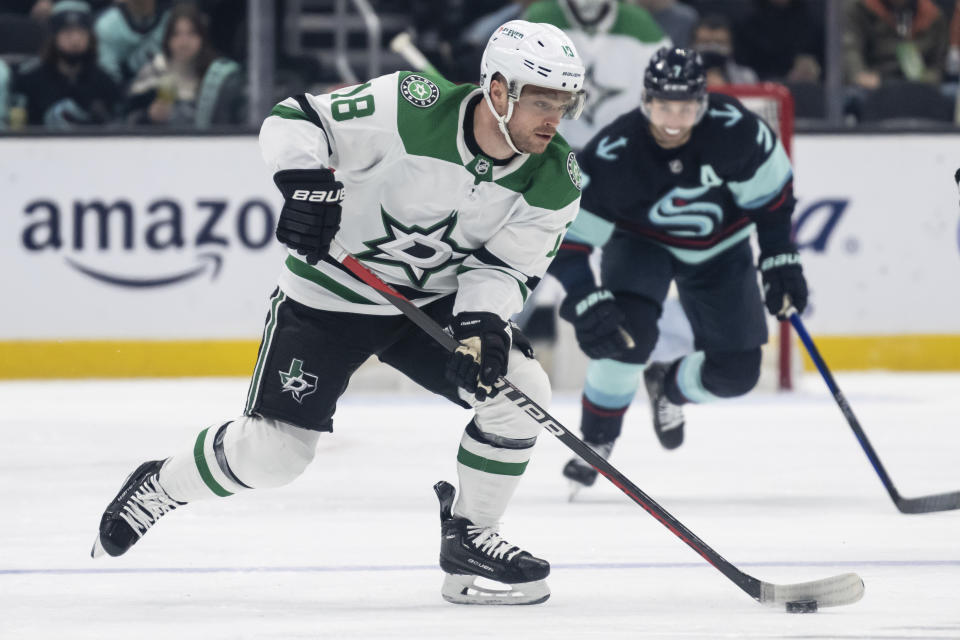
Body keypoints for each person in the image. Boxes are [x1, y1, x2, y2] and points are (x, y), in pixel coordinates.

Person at [91, 20, 586, 606]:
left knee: (517, 390)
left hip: (428, 305)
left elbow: (504, 268)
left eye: (565, 103)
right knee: (273, 456)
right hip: (329, 296)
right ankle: (161, 485)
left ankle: (471, 534)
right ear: (498, 91)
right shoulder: (407, 107)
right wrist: (304, 183)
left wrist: (482, 325)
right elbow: (295, 119)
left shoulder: (557, 178)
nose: (554, 118)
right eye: (541, 101)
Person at [550, 47, 807, 492]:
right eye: (665, 106)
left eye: (686, 107)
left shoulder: (735, 131)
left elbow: (774, 200)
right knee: (625, 336)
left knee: (737, 373)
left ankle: (669, 386)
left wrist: (780, 255)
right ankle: (595, 441)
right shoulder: (615, 153)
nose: (674, 119)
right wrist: (583, 295)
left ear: (702, 103)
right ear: (647, 101)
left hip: (720, 247)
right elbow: (566, 241)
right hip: (639, 245)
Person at [524, 0, 670, 150]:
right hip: (556, 150)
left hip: (617, 151)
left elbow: (665, 91)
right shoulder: (540, 18)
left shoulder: (640, 26)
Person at [126, 3, 244, 127]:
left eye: (191, 33)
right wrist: (149, 116)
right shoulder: (154, 71)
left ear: (202, 37)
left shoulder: (218, 77)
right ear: (167, 38)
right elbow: (128, 119)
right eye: (176, 34)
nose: (184, 42)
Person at [12, 0, 121, 128]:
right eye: (67, 33)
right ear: (53, 37)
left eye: (81, 33)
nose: (75, 40)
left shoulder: (104, 82)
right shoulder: (29, 80)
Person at [843, 0, 949, 88]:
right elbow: (850, 50)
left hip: (919, 86)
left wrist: (925, 80)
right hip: (874, 84)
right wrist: (860, 75)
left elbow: (938, 66)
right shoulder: (861, 8)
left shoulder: (932, 16)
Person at [95, 0, 170, 89]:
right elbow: (108, 77)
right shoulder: (107, 25)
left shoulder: (174, 16)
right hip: (125, 91)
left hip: (172, 84)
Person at [691, 13, 758, 86]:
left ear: (731, 46)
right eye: (705, 42)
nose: (712, 48)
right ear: (692, 45)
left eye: (719, 43)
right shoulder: (680, 75)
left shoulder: (746, 77)